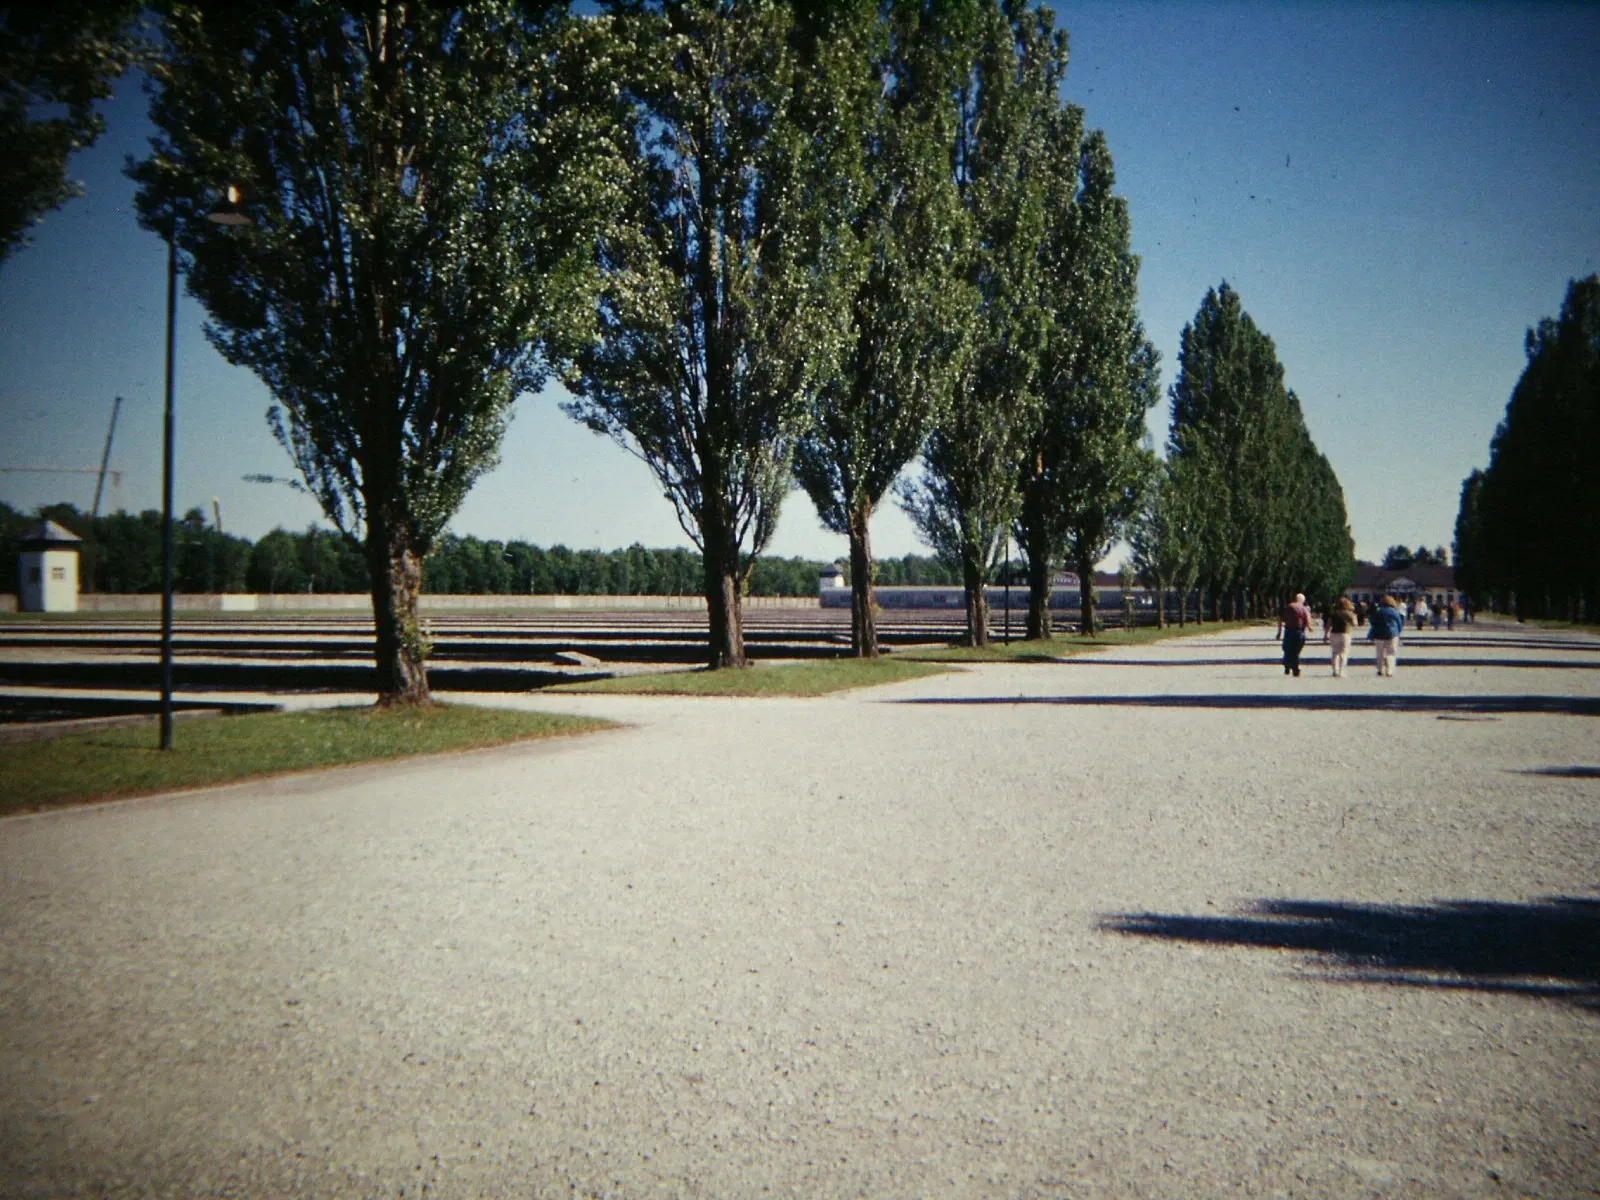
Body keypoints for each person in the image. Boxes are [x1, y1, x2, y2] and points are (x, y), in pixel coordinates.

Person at [1277, 591, 1314, 677]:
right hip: (1299, 631)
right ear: (1303, 601)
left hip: (1288, 631)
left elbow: (1281, 619)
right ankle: (1295, 668)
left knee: (1287, 649)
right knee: (1296, 651)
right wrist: (1310, 628)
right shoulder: (1304, 609)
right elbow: (1308, 621)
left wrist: (1279, 632)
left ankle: (1287, 664)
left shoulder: (1289, 607)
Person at [1369, 593, 1405, 677]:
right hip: (1392, 634)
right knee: (1391, 653)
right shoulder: (1395, 612)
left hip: (1379, 634)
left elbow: (1372, 621)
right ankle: (1389, 670)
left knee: (1380, 653)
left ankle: (1380, 669)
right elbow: (1399, 623)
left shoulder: (1378, 611)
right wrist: (1398, 632)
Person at [1327, 596, 1356, 678]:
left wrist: (1326, 634)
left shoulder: (1333, 613)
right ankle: (1341, 671)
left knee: (1335, 653)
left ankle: (1334, 670)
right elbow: (1354, 623)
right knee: (1343, 653)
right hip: (1345, 634)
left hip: (1334, 633)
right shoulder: (1349, 613)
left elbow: (1328, 625)